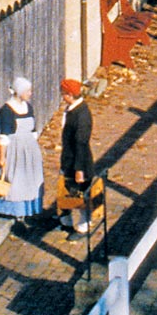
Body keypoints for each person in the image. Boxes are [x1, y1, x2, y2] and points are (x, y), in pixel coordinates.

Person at [0, 76, 44, 221]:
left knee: (31, 179)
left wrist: (33, 149)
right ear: (19, 91)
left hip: (30, 149)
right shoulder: (7, 110)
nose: (30, 93)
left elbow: (33, 130)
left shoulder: (29, 107)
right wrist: (2, 158)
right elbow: (4, 136)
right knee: (15, 180)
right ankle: (13, 211)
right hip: (15, 150)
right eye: (28, 91)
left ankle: (28, 210)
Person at [58, 78, 96, 234]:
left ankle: (84, 223)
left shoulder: (81, 116)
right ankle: (65, 219)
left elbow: (81, 142)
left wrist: (79, 169)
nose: (62, 97)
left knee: (80, 193)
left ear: (69, 95)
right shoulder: (73, 109)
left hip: (78, 162)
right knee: (66, 190)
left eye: (63, 94)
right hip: (68, 159)